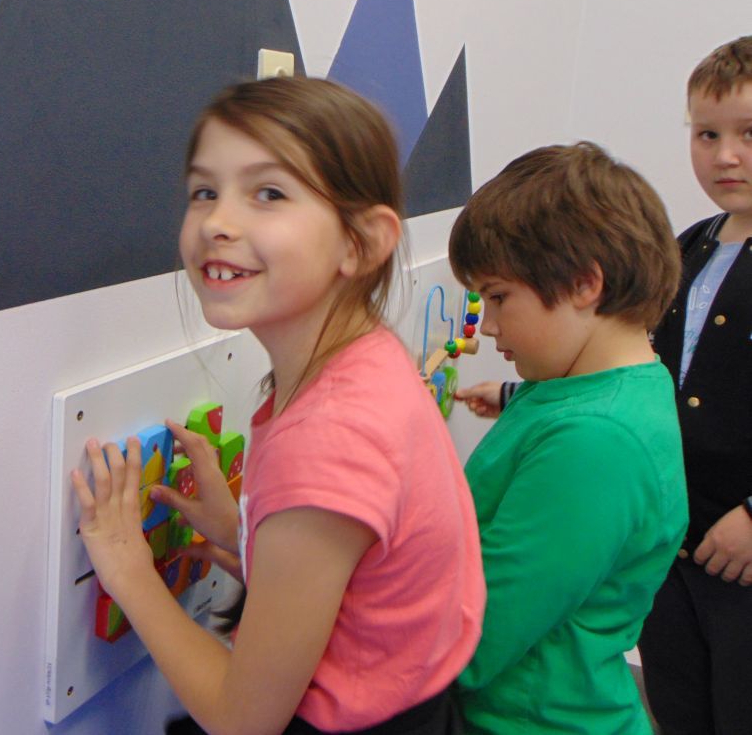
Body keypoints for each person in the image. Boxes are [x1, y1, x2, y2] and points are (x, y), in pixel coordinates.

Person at [71, 77, 484, 735]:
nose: (218, 222)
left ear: (360, 243)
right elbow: (359, 581)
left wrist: (127, 566)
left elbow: (243, 721)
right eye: (204, 191)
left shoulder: (329, 437)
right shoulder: (369, 358)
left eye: (269, 193)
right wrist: (244, 532)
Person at [446, 142, 687, 733]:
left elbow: (469, 642)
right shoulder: (583, 388)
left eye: (498, 297)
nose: (489, 325)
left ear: (584, 284)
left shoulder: (596, 442)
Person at [636, 36, 752, 735]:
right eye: (707, 134)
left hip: (744, 558)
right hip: (675, 545)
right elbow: (646, 371)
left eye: (748, 134)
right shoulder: (690, 244)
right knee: (680, 707)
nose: (724, 156)